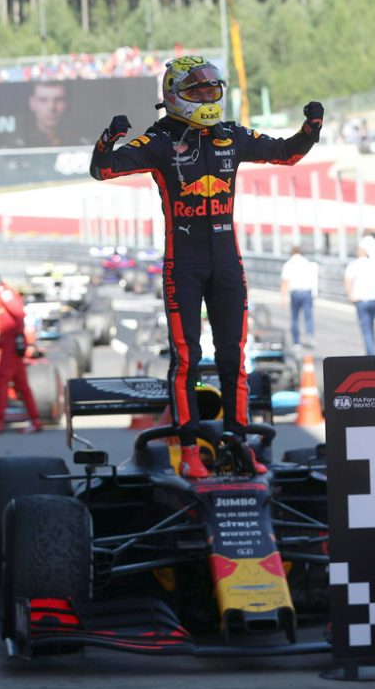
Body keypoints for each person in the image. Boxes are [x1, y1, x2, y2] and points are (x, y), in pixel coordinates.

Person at [89, 55, 323, 479]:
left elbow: (286, 154)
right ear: (174, 95)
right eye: (196, 91)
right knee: (186, 358)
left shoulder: (231, 135)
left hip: (228, 263)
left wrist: (311, 130)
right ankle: (188, 448)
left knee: (234, 356)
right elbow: (103, 169)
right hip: (184, 263)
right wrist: (108, 139)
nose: (207, 96)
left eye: (212, 89)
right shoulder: (158, 140)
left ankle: (238, 442)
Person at [0, 276, 42, 435]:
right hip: (9, 343)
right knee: (22, 384)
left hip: (11, 345)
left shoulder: (3, 292)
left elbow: (18, 313)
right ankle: (35, 420)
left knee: (1, 381)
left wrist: (17, 337)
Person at [344, 243, 375, 355]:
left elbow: (347, 280)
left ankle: (373, 356)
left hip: (361, 301)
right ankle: (371, 353)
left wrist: (350, 295)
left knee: (366, 330)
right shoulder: (374, 264)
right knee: (371, 328)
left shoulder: (353, 265)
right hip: (374, 300)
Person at [13, 82, 85, 148]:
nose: (51, 107)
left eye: (59, 100)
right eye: (43, 100)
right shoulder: (17, 146)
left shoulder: (84, 144)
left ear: (68, 103)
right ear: (32, 103)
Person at [279, 245, 318, 348]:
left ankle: (296, 342)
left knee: (295, 318)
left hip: (295, 293)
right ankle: (309, 334)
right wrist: (314, 294)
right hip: (307, 292)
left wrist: (283, 297)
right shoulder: (307, 263)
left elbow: (285, 281)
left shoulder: (288, 264)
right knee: (308, 316)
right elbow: (313, 279)